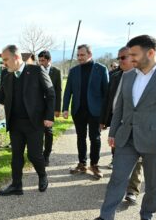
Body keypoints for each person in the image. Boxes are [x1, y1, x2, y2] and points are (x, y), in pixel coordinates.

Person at [95, 35, 156, 220]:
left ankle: (147, 215)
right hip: (126, 138)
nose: (130, 58)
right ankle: (106, 216)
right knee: (117, 179)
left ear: (150, 53)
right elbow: (120, 108)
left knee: (153, 185)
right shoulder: (128, 76)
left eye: (134, 54)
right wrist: (114, 131)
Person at [0, 45, 55, 196]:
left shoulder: (37, 71)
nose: (3, 63)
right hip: (15, 123)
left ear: (16, 57)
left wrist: (49, 117)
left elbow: (50, 93)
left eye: (5, 60)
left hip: (34, 123)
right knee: (16, 156)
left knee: (34, 155)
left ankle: (42, 175)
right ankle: (16, 186)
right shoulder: (7, 76)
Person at [99, 46, 143, 204]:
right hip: (118, 123)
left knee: (136, 160)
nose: (120, 61)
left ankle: (132, 190)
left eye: (123, 58)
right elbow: (109, 99)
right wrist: (104, 120)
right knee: (117, 154)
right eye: (118, 58)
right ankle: (119, 183)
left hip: (136, 126)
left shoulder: (142, 78)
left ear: (133, 58)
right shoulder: (116, 76)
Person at [62, 44, 109, 179]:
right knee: (80, 137)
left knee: (95, 138)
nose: (79, 57)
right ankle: (82, 163)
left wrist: (106, 115)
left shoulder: (101, 69)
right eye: (78, 55)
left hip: (95, 111)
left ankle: (94, 164)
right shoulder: (74, 71)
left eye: (82, 55)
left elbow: (106, 94)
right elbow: (68, 91)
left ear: (90, 55)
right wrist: (65, 108)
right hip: (78, 110)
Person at [38, 50, 62, 166]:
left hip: (50, 106)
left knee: (48, 131)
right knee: (37, 130)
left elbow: (58, 90)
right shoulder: (36, 70)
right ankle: (38, 154)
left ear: (48, 60)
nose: (40, 62)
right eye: (39, 60)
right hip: (37, 106)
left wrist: (57, 109)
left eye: (43, 60)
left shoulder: (56, 72)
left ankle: (46, 155)